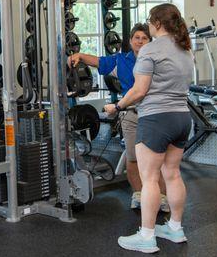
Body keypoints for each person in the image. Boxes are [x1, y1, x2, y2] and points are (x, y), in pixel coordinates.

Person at [106, 4, 194, 253]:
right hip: (182, 118)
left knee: (150, 179)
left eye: (149, 21)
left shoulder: (150, 50)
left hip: (156, 119)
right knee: (173, 174)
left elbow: (140, 90)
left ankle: (147, 236)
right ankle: (175, 229)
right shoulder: (186, 49)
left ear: (156, 22)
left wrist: (118, 106)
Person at [68, 24, 169, 212]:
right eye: (136, 38)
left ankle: (161, 198)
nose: (140, 41)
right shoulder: (121, 60)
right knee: (132, 158)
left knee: (156, 161)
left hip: (154, 115)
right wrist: (80, 56)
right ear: (130, 41)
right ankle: (139, 195)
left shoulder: (157, 60)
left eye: (144, 38)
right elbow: (99, 61)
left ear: (150, 41)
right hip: (130, 115)